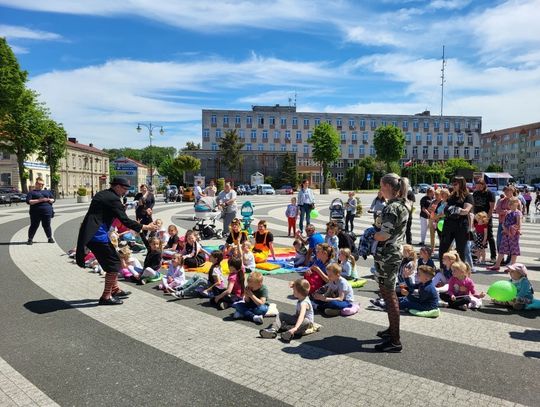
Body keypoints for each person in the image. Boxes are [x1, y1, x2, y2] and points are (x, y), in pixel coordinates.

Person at [75, 177, 157, 305]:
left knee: (115, 261)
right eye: (124, 189)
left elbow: (114, 210)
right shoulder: (113, 198)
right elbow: (124, 219)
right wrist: (146, 227)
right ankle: (106, 296)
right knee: (114, 266)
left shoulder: (103, 194)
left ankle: (115, 289)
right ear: (117, 186)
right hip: (98, 236)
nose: (126, 192)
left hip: (93, 233)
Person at [372, 173, 410, 353]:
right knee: (388, 293)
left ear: (387, 186)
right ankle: (391, 330)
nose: (380, 188)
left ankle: (395, 341)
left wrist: (371, 235)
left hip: (388, 254)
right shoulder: (402, 204)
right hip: (394, 253)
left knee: (389, 295)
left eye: (381, 185)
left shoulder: (391, 208)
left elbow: (384, 234)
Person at [438, 177, 473, 266]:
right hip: (448, 225)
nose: (453, 186)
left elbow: (466, 211)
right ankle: (443, 269)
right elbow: (445, 210)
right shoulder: (451, 196)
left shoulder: (468, 196)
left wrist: (453, 210)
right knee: (442, 248)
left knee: (460, 251)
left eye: (455, 184)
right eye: (452, 184)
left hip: (461, 226)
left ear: (461, 184)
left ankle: (460, 272)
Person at [488, 197, 522, 270]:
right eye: (509, 203)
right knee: (502, 249)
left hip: (513, 234)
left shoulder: (518, 213)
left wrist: (512, 230)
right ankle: (497, 265)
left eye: (512, 203)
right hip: (506, 233)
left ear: (516, 204)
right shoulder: (508, 212)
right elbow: (503, 222)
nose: (510, 205)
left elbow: (518, 224)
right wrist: (505, 229)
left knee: (513, 251)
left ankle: (512, 267)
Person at [26, 177, 55, 245]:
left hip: (47, 212)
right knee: (34, 225)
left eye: (42, 184)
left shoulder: (47, 192)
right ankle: (30, 239)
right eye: (39, 184)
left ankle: (49, 238)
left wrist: (50, 200)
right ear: (36, 184)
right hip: (35, 213)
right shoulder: (31, 192)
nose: (41, 185)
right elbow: (28, 201)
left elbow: (53, 199)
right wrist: (40, 200)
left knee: (47, 225)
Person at [472, 180, 496, 262]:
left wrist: (487, 219)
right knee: (476, 236)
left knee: (489, 236)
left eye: (480, 185)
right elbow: (473, 206)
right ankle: (477, 255)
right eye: (477, 185)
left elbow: (491, 207)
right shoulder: (475, 193)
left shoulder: (489, 193)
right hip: (477, 218)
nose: (478, 186)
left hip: (486, 218)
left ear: (483, 185)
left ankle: (493, 256)